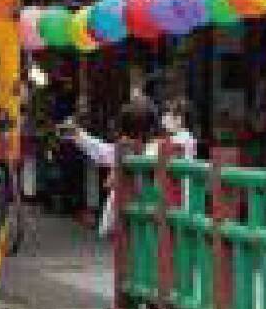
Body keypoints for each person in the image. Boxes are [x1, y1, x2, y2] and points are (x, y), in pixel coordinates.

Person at [70, 81, 195, 236]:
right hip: (164, 212)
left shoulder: (176, 142)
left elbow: (109, 154)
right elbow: (110, 154)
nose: (164, 117)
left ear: (180, 119)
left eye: (168, 114)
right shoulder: (160, 143)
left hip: (167, 212)